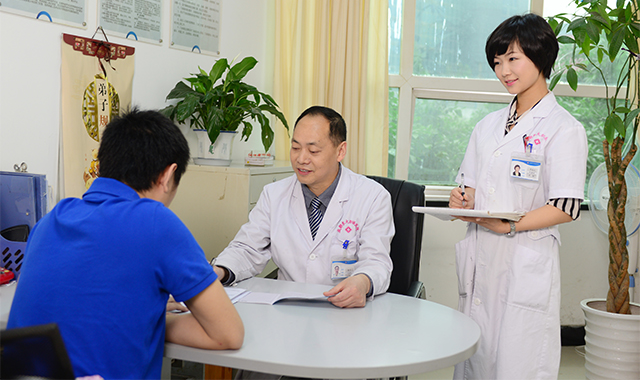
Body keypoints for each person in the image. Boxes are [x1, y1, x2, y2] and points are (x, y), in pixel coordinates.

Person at [7, 109, 244, 379]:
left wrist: (140, 311)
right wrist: (150, 319)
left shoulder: (51, 220)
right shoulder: (156, 221)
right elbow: (228, 334)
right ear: (168, 175)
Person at [448, 14, 587, 379]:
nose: (503, 71)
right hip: (482, 255)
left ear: (540, 56)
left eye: (512, 58)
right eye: (497, 62)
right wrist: (462, 200)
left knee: (518, 362)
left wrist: (508, 226)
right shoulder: (487, 126)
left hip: (525, 258)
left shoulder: (564, 128)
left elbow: (566, 206)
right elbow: (469, 187)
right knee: (476, 360)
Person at [213, 106, 394, 309]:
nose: (301, 159)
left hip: (343, 311)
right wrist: (219, 270)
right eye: (295, 148)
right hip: (287, 308)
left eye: (313, 151)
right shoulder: (274, 194)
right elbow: (247, 249)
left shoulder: (373, 197)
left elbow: (376, 261)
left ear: (340, 151)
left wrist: (362, 282)